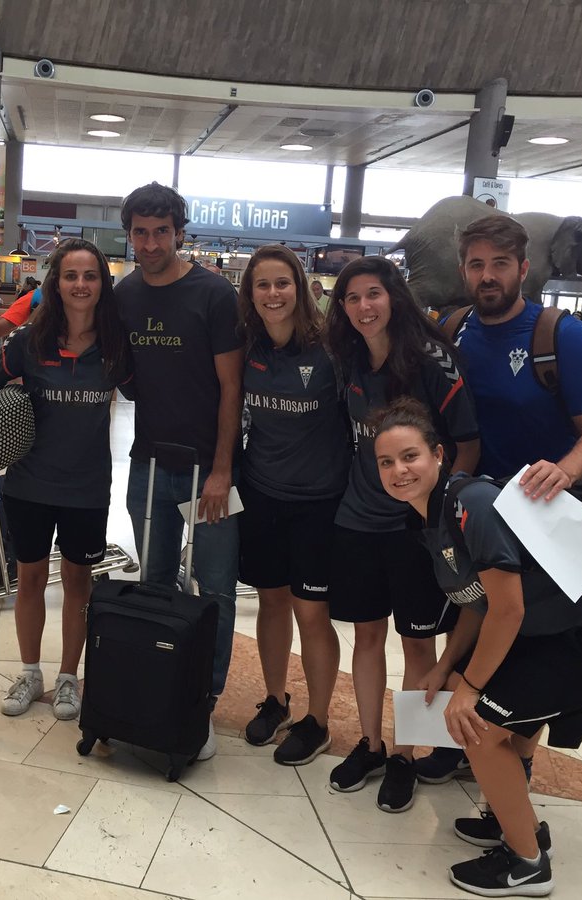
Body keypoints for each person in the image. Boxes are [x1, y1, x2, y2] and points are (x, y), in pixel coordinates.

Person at [372, 397, 582, 898]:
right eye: (386, 462)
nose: (399, 470)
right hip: (563, 633)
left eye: (410, 456)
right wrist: (444, 667)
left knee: (477, 722)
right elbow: (475, 604)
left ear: (439, 455)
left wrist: (471, 687)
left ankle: (527, 864)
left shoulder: (470, 504)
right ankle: (515, 821)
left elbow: (508, 610)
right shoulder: (434, 516)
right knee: (497, 717)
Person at [416, 214, 582, 800]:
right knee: (470, 619)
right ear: (463, 271)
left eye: (500, 264)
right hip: (472, 513)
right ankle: (463, 746)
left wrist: (567, 468)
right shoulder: (454, 329)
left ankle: (516, 767)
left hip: (543, 517)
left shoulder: (561, 337)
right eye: (477, 265)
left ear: (524, 269)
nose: (487, 276)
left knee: (530, 638)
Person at [323, 255, 479, 812]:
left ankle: (408, 756)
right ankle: (369, 744)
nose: (364, 307)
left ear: (393, 296)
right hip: (358, 521)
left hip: (416, 529)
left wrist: (439, 516)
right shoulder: (348, 359)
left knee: (418, 643)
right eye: (352, 298)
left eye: (373, 294)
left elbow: (465, 442)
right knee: (366, 637)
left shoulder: (433, 360)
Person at [116, 182, 243, 761]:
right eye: (139, 232)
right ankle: (158, 685)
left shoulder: (213, 293)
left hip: (206, 471)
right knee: (155, 580)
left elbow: (230, 387)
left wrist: (223, 469)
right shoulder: (125, 293)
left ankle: (204, 697)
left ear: (178, 231)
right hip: (150, 464)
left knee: (214, 586)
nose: (149, 243)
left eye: (159, 232)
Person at [0, 238, 132, 721]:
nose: (81, 285)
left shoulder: (115, 348)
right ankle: (30, 672)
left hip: (87, 488)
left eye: (90, 276)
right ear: (56, 284)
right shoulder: (30, 343)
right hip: (29, 484)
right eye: (71, 276)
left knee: (77, 582)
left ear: (102, 285)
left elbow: (154, 387)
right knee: (28, 579)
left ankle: (69, 677)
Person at [235, 245, 348, 766]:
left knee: (312, 612)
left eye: (283, 284)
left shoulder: (330, 350)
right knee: (271, 601)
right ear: (250, 293)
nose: (273, 294)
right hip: (262, 494)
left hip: (318, 503)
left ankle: (318, 720)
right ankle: (277, 700)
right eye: (263, 285)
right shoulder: (248, 345)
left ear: (300, 289)